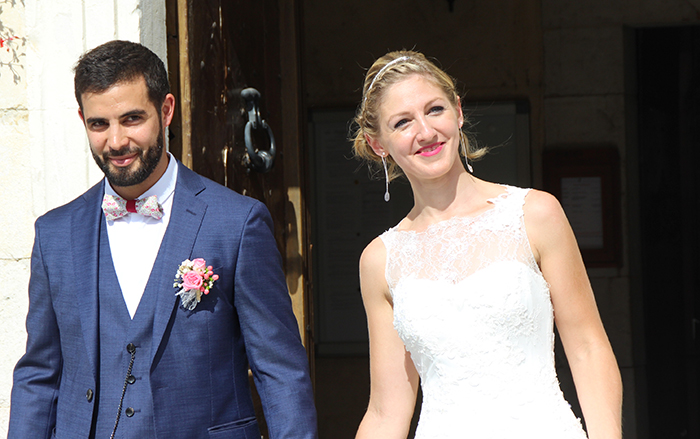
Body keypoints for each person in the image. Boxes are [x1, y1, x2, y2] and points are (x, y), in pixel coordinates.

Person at [8, 40, 317, 439]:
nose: (116, 141)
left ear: (166, 110)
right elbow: (39, 377)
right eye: (99, 124)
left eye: (132, 119)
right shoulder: (55, 234)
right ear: (83, 119)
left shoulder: (236, 224)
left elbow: (279, 370)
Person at [352, 50, 622, 439]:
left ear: (458, 112)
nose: (425, 132)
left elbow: (588, 349)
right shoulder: (381, 260)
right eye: (403, 122)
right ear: (379, 144)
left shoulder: (535, 214)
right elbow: (385, 410)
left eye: (435, 109)